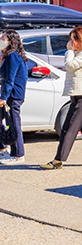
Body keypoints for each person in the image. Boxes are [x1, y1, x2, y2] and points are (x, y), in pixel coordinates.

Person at [40, 26, 82, 169]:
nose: (70, 42)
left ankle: (58, 160)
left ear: (81, 39)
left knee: (69, 127)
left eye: (73, 39)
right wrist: (72, 51)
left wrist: (69, 51)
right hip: (81, 94)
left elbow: (70, 66)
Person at [0, 30, 28, 165]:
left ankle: (18, 155)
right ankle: (9, 151)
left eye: (3, 39)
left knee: (14, 124)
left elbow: (10, 80)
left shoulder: (13, 56)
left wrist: (3, 97)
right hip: (14, 94)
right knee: (9, 124)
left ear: (11, 41)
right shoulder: (11, 55)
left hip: (14, 95)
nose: (1, 40)